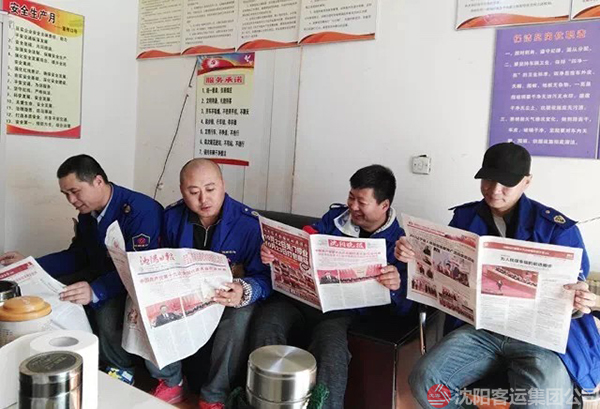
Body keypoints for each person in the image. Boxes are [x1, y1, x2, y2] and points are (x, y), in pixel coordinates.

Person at [395, 143, 600, 408]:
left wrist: (581, 299)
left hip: (537, 339)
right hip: (481, 330)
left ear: (526, 182)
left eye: (506, 184)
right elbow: (441, 266)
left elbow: (578, 289)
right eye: (488, 180)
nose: (494, 190)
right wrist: (413, 254)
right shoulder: (465, 218)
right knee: (426, 381)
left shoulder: (556, 229)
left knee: (541, 401)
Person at [251, 164, 413, 409]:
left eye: (361, 202)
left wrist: (395, 286)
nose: (353, 206)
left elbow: (405, 309)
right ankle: (264, 403)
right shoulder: (335, 219)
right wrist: (275, 253)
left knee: (331, 347)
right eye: (351, 197)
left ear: (384, 205)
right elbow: (307, 239)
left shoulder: (399, 245)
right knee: (269, 321)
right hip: (302, 301)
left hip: (342, 315)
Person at [0, 154, 163, 384]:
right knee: (54, 292)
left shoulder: (140, 211)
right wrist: (32, 264)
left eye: (75, 191)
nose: (71, 200)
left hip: (135, 282)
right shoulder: (88, 213)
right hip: (100, 272)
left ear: (98, 181)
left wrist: (96, 291)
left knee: (106, 315)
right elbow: (78, 255)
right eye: (66, 194)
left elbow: (139, 268)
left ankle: (123, 371)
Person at [147, 159, 270, 409]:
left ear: (223, 185)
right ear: (182, 192)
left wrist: (244, 290)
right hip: (183, 293)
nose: (204, 199)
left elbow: (265, 278)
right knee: (143, 300)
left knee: (240, 316)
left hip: (224, 298)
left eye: (211, 189)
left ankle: (215, 395)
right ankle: (171, 381)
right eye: (194, 192)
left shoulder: (248, 224)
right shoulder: (171, 217)